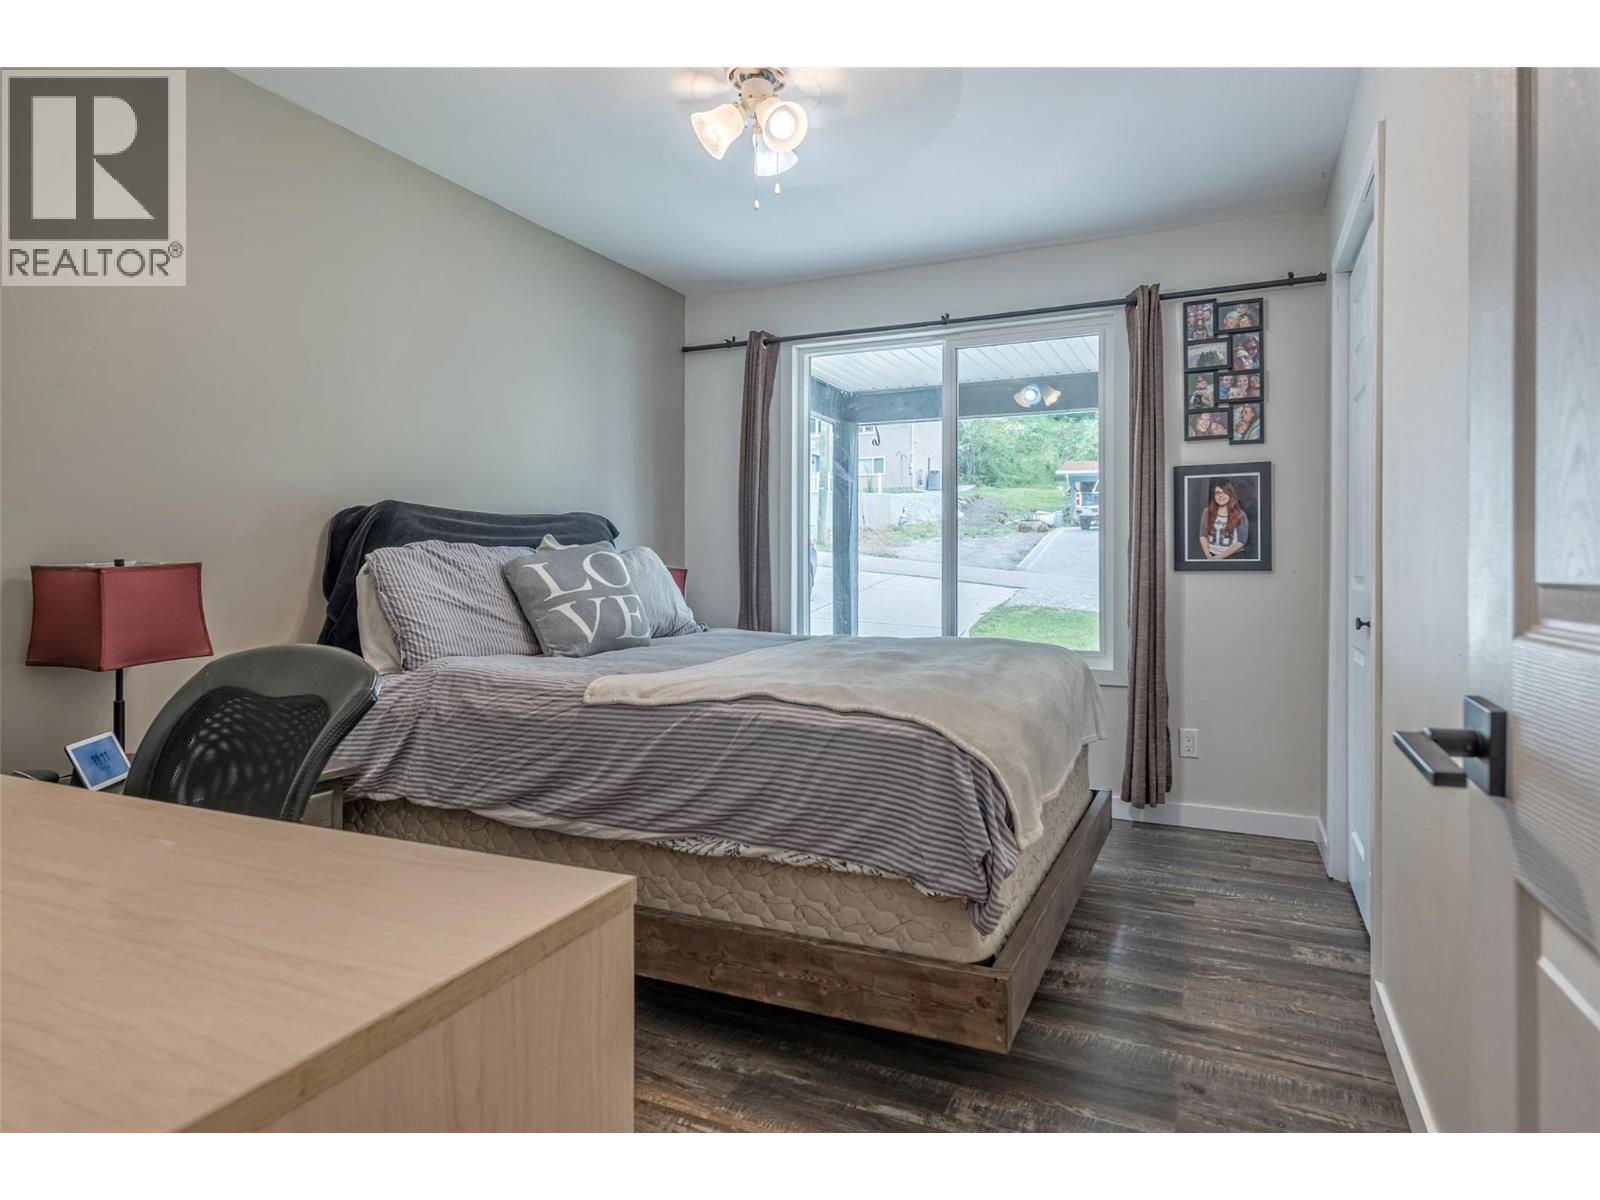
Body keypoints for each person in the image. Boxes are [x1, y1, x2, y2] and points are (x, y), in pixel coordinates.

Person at [1199, 480, 1250, 560]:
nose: (1220, 496)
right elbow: (1203, 535)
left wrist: (1219, 557)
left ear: (1231, 495)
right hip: (1211, 555)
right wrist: (1208, 556)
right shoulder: (1207, 512)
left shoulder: (1240, 514)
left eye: (1224, 492)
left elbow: (1241, 541)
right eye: (1218, 493)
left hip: (1234, 557)